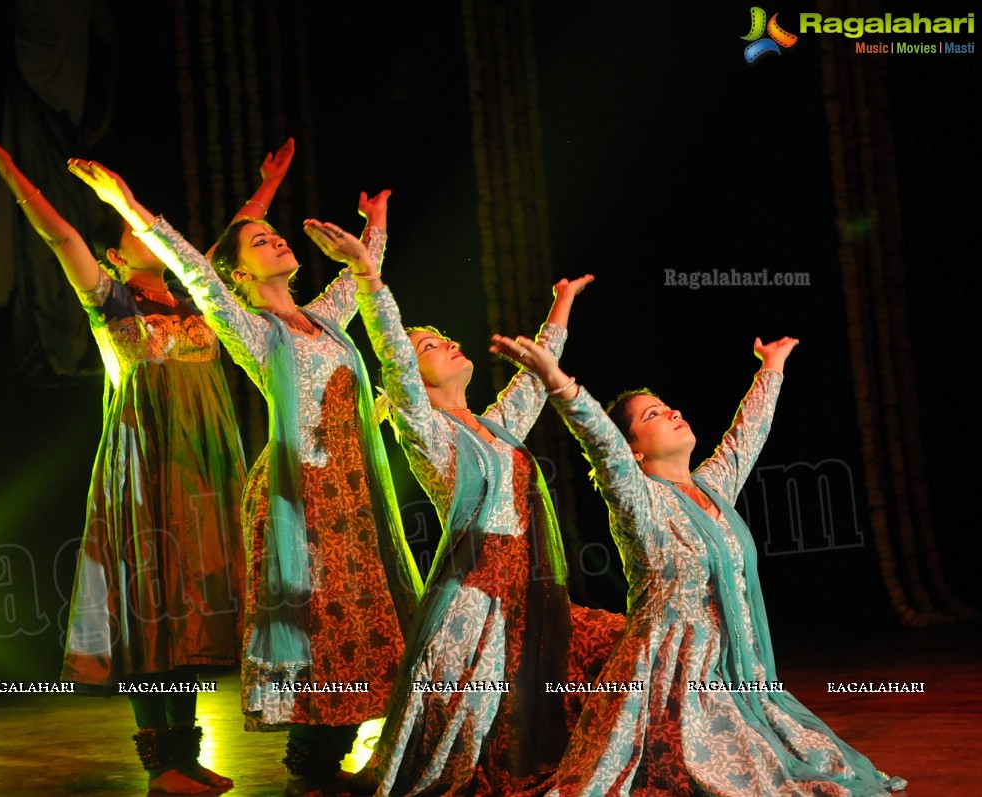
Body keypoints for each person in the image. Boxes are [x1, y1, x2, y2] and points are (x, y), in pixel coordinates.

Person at [69, 159, 423, 797]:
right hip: (300, 496)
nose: (276, 238)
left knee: (361, 628)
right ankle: (306, 772)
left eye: (275, 233)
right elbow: (195, 269)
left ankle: (329, 761)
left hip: (354, 493)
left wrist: (377, 225)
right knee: (321, 632)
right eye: (259, 240)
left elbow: (362, 278)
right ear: (238, 273)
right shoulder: (248, 329)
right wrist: (125, 200)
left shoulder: (322, 318)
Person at [0, 124, 293, 794]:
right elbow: (59, 235)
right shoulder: (110, 301)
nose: (146, 231)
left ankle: (184, 750)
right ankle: (160, 765)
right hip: (147, 470)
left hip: (205, 466)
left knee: (194, 613)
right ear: (113, 256)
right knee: (152, 612)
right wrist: (7, 168)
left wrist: (268, 184)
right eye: (129, 228)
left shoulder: (203, 297)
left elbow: (235, 237)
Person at [484, 332, 907, 796]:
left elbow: (747, 436)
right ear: (633, 452)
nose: (673, 413)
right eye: (653, 415)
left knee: (806, 757)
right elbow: (601, 441)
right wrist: (557, 382)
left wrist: (772, 366)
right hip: (672, 684)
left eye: (668, 406)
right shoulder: (638, 500)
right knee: (743, 778)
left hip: (733, 675)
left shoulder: (712, 489)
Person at [345, 274, 625, 796]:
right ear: (409, 375)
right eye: (428, 346)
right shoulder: (425, 428)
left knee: (621, 649)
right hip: (473, 609)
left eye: (443, 337)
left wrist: (561, 303)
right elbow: (394, 359)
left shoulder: (495, 427)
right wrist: (365, 269)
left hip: (526, 600)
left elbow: (535, 378)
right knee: (465, 750)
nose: (448, 344)